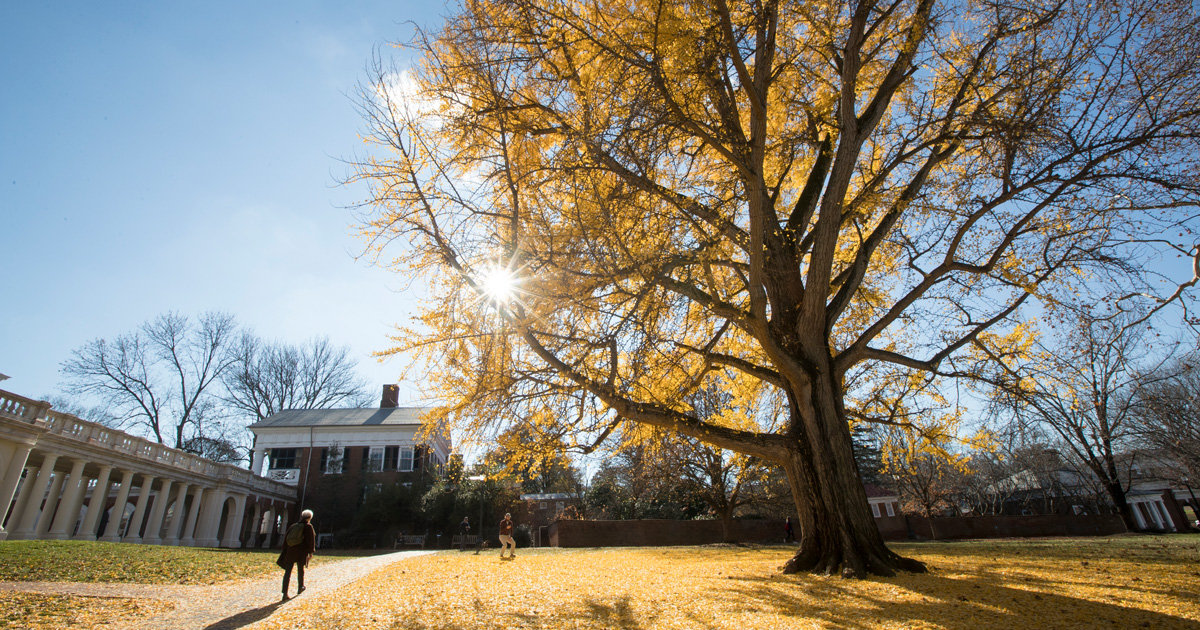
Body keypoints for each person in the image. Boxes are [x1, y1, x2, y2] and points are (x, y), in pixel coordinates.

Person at [278, 509, 316, 601]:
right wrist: (311, 552)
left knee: (287, 573)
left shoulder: (293, 526)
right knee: (300, 570)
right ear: (310, 518)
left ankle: (285, 593)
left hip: (290, 551)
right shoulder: (308, 526)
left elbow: (286, 539)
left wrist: (285, 551)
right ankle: (300, 587)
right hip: (301, 552)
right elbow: (310, 541)